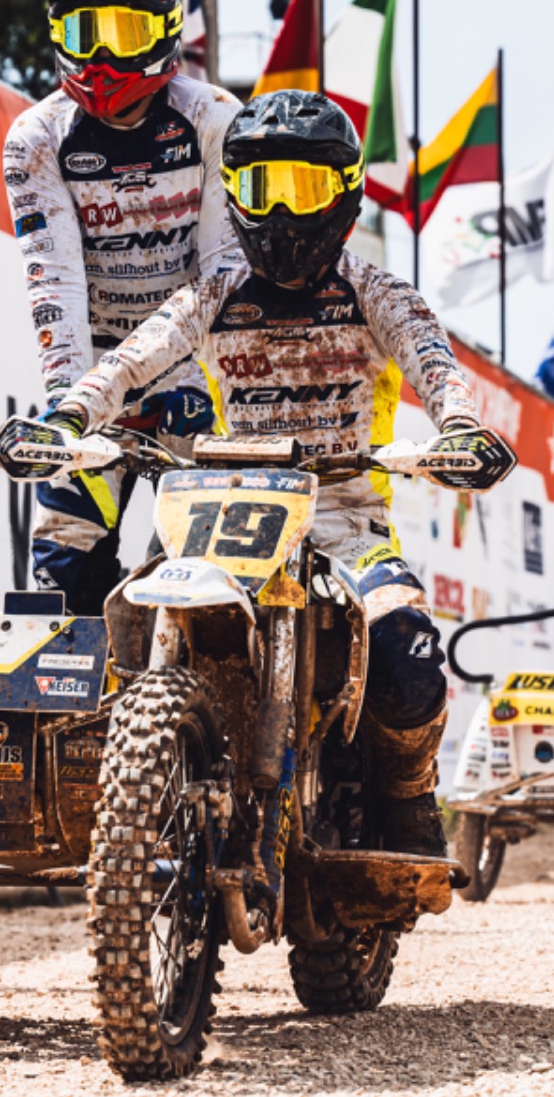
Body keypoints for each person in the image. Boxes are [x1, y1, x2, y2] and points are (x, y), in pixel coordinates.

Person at [38, 90, 497, 857]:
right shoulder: (212, 294)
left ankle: (408, 794)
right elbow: (127, 363)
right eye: (261, 187)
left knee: (408, 652)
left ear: (344, 193)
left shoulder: (377, 292)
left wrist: (460, 427)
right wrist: (67, 417)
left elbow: (438, 368)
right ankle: (136, 805)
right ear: (232, 195)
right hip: (220, 515)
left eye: (303, 187)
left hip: (344, 524)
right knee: (130, 622)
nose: (282, 213)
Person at [7, 0, 242, 615]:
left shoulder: (214, 117)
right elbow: (53, 281)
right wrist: (69, 403)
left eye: (125, 32)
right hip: (94, 380)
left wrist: (193, 383)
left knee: (202, 585)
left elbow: (223, 273)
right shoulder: (36, 135)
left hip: (193, 373)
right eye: (85, 33)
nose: (103, 58)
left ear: (164, 34)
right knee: (62, 573)